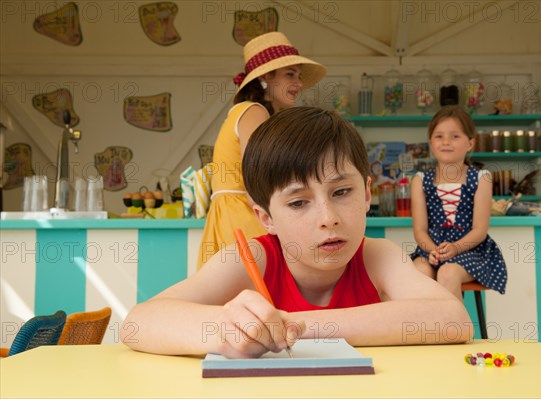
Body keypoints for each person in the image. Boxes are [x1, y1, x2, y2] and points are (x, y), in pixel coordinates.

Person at [122, 107, 472, 358]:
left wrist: (297, 325)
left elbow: (454, 320)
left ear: (366, 193)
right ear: (265, 216)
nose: (328, 218)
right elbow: (137, 323)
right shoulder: (253, 259)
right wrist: (224, 328)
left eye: (341, 192)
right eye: (298, 202)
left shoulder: (376, 255)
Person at [198, 32, 326, 268]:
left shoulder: (251, 111)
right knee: (260, 288)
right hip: (243, 214)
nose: (298, 83)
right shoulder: (254, 111)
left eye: (298, 75)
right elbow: (255, 177)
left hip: (232, 212)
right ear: (266, 77)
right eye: (290, 74)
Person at [410, 105, 507, 301]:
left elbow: (480, 230)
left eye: (455, 136)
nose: (446, 142)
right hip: (430, 250)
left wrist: (454, 248)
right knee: (419, 271)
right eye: (439, 136)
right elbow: (420, 230)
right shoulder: (420, 180)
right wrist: (433, 250)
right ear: (430, 142)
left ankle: (455, 330)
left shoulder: (481, 178)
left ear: (470, 143)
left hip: (469, 250)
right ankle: (426, 330)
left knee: (448, 272)